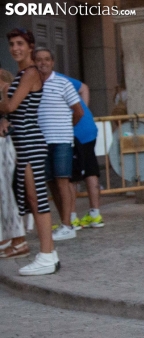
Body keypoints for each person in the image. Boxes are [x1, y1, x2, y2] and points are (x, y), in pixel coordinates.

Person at [0, 29, 58, 275]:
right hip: (24, 143)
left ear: (30, 46)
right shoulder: (24, 73)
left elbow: (11, 106)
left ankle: (47, 254)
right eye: (12, 44)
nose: (15, 48)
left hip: (31, 141)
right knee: (33, 199)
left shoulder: (30, 73)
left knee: (38, 199)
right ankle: (47, 254)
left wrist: (3, 91)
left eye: (20, 43)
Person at [34, 47, 83, 241]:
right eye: (39, 59)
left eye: (46, 59)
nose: (43, 63)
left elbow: (78, 111)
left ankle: (67, 224)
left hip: (61, 140)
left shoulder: (63, 83)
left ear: (53, 62)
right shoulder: (32, 84)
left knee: (63, 181)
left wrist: (66, 129)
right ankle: (63, 222)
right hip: (41, 141)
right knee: (51, 183)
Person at [56, 71, 104, 229]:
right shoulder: (61, 77)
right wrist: (85, 111)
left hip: (73, 130)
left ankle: (72, 218)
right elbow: (84, 88)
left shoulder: (48, 80)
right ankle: (95, 215)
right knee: (90, 170)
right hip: (87, 127)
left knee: (70, 175)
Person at [0, 65, 27, 258]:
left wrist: (3, 118)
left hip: (5, 145)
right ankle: (7, 238)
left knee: (8, 193)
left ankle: (18, 240)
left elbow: (12, 110)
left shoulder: (7, 87)